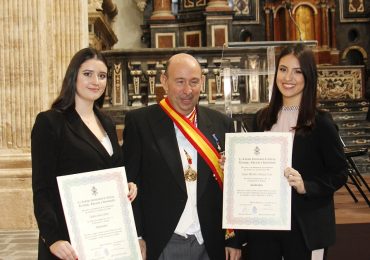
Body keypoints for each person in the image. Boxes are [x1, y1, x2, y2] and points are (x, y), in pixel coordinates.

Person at [122, 53, 242, 260]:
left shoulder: (221, 124)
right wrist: (137, 235)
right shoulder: (140, 122)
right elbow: (131, 185)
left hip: (210, 242)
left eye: (194, 82)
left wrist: (233, 239)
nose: (187, 90)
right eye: (180, 82)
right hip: (162, 242)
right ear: (164, 82)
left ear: (202, 83)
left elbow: (233, 187)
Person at [31, 47, 137, 260]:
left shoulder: (106, 122)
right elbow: (42, 188)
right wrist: (52, 238)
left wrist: (127, 185)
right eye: (87, 74)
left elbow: (111, 169)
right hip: (68, 242)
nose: (95, 81)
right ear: (73, 76)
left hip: (104, 238)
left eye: (102, 76)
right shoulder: (51, 122)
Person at [245, 44, 348, 260]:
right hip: (265, 225)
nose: (288, 77)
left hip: (306, 225)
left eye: (297, 71)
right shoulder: (261, 119)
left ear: (308, 76)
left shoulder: (321, 123)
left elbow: (339, 173)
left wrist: (306, 186)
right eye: (283, 69)